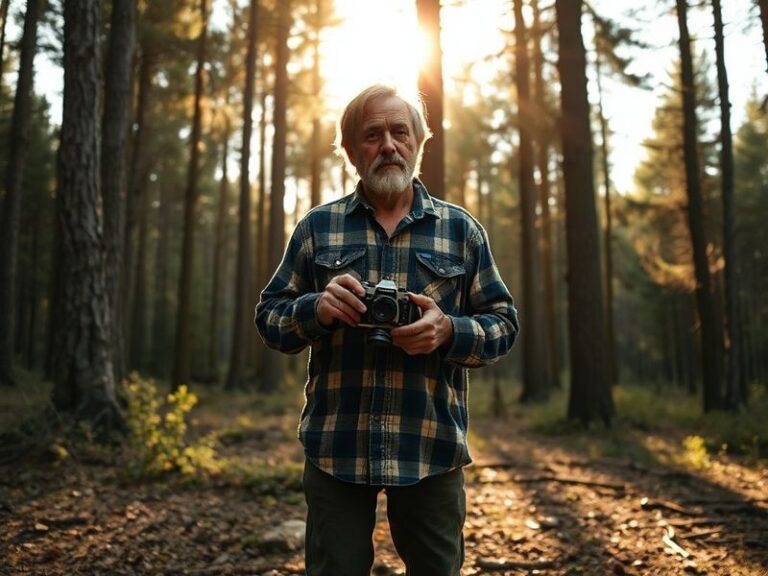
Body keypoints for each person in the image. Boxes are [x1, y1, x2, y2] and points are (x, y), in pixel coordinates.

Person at [255, 84, 518, 576]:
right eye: (372, 135)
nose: (388, 145)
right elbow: (270, 319)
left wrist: (448, 332)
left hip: (430, 445)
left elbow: (503, 325)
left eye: (400, 131)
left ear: (419, 141)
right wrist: (317, 309)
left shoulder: (461, 231)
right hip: (337, 445)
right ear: (352, 151)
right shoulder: (318, 227)